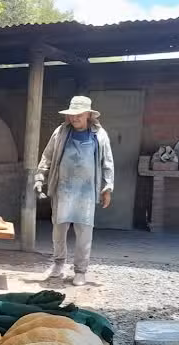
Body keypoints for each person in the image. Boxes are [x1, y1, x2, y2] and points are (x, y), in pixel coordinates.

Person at [34, 96, 115, 287]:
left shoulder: (99, 135)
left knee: (84, 233)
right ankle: (58, 264)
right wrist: (40, 177)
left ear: (88, 114)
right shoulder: (61, 132)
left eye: (79, 115)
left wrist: (107, 187)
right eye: (72, 115)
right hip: (63, 189)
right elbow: (47, 156)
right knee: (59, 230)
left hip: (86, 192)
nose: (75, 118)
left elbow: (107, 162)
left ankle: (80, 271)